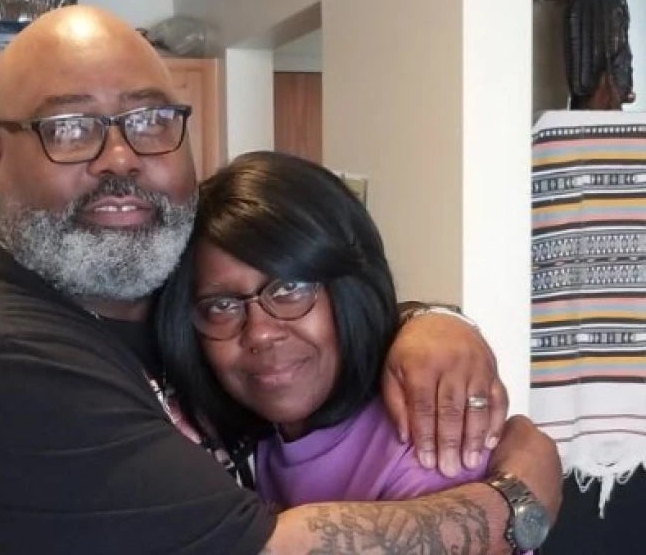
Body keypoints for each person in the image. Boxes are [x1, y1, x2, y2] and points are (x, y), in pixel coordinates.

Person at [0, 5, 561, 554]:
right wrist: (522, 492)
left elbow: (295, 291)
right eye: (69, 125)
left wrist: (430, 320)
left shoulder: (152, 300)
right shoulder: (5, 360)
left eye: (149, 120)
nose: (120, 157)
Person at [157, 151, 490, 509]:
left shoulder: (428, 444)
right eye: (222, 306)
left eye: (289, 289)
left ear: (350, 289)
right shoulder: (252, 441)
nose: (260, 333)